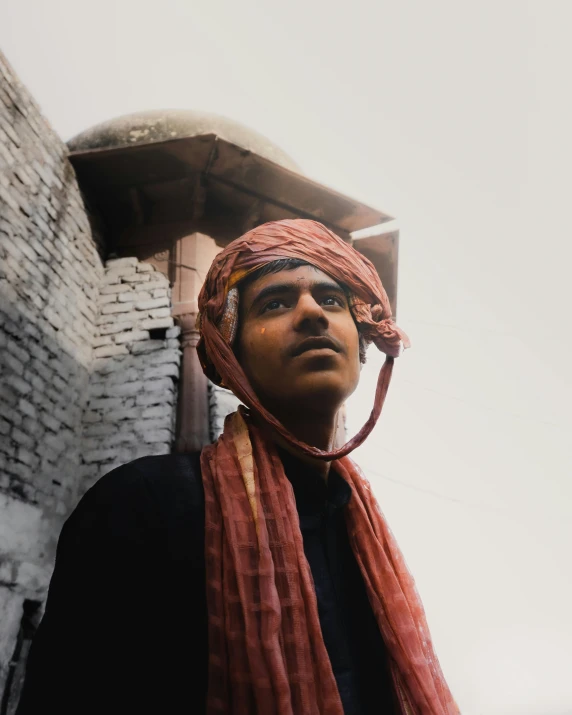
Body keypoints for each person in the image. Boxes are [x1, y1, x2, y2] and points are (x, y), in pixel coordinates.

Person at [16, 219, 458, 715]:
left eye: (332, 300)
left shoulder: (363, 535)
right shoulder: (145, 505)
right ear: (231, 352)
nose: (312, 313)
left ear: (363, 340)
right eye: (275, 303)